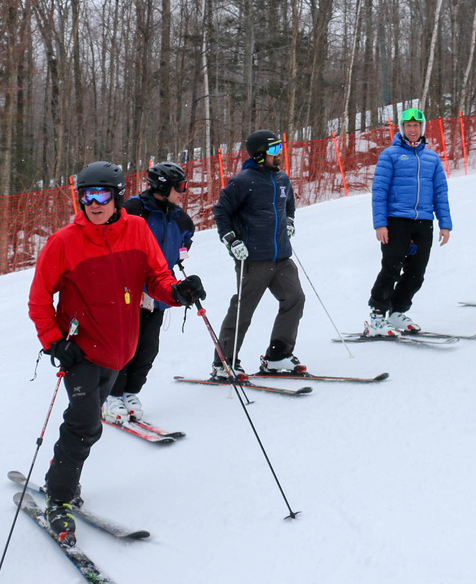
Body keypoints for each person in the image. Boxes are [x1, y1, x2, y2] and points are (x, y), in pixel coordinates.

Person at [28, 161, 204, 542]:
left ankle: (63, 480)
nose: (94, 203)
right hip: (81, 351)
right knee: (84, 424)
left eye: (102, 195)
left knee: (87, 426)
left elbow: (156, 277)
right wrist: (54, 342)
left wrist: (176, 292)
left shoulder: (137, 230)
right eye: (87, 195)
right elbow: (39, 299)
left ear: (117, 197)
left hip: (120, 348)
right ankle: (59, 498)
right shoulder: (63, 242)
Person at [102, 162, 195, 424]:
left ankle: (130, 393)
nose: (183, 192)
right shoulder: (132, 210)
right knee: (123, 348)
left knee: (147, 349)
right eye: (180, 187)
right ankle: (111, 396)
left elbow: (184, 244)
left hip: (158, 293)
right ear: (163, 187)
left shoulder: (180, 218)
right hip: (127, 293)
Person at [212, 129, 305, 379]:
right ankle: (224, 362)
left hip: (282, 257)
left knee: (295, 299)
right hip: (253, 259)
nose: (280, 154)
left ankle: (278, 356)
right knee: (243, 310)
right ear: (260, 154)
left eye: (280, 149)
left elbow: (289, 205)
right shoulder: (243, 181)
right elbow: (221, 212)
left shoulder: (282, 179)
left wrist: (289, 221)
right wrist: (231, 240)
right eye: (274, 150)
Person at [364, 108, 452, 336]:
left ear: (422, 128)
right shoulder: (390, 154)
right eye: (408, 126)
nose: (413, 130)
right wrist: (380, 224)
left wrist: (445, 223)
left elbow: (440, 192)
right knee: (391, 267)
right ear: (402, 128)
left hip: (423, 221)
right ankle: (376, 316)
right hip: (396, 221)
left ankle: (396, 312)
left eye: (416, 126)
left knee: (416, 271)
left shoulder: (432, 157)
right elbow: (380, 190)